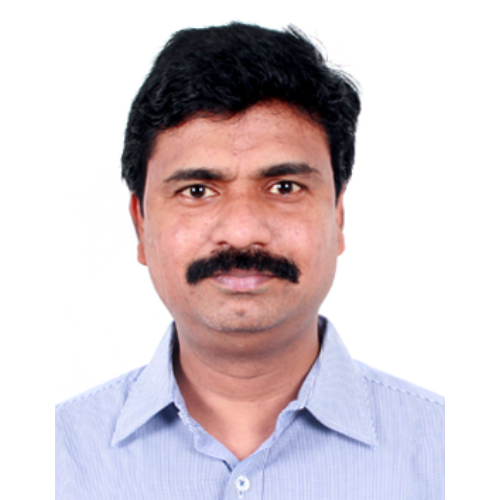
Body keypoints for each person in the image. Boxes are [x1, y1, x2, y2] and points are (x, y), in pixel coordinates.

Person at [55, 22, 444, 499]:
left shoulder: (452, 454)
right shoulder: (50, 458)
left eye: (284, 187)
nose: (241, 231)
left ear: (338, 215)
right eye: (197, 191)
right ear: (140, 225)